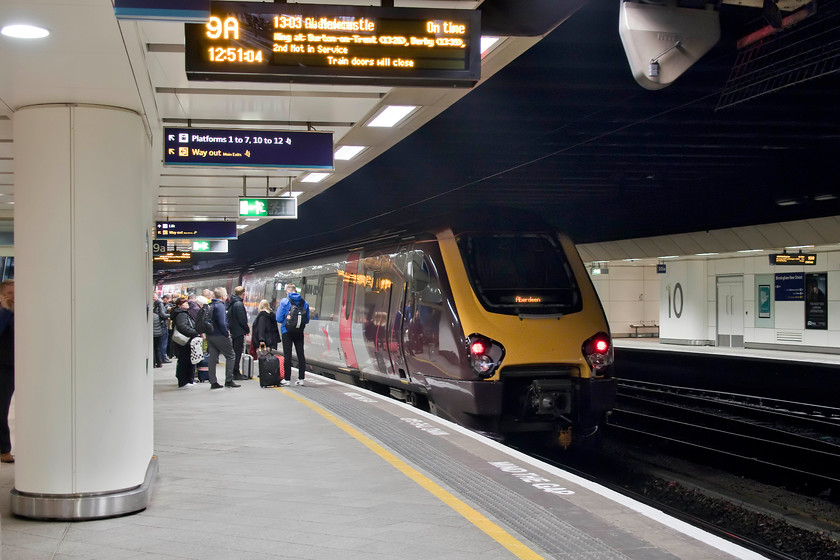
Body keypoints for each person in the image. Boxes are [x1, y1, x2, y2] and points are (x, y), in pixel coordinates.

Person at [275, 283, 309, 386]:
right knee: (300, 354)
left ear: (287, 291)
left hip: (287, 331)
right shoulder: (304, 302)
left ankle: (287, 379)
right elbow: (306, 320)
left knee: (287, 355)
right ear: (296, 290)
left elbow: (279, 318)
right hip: (299, 331)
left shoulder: (284, 301)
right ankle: (301, 379)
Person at [205, 287, 239, 389]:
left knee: (212, 358)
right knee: (231, 355)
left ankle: (213, 382)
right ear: (223, 296)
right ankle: (229, 380)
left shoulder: (211, 304)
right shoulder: (220, 306)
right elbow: (222, 322)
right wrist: (226, 333)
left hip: (210, 335)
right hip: (219, 335)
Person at [170, 297, 199, 388]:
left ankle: (188, 380)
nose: (187, 304)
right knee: (184, 360)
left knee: (187, 360)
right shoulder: (181, 314)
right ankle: (183, 381)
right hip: (184, 341)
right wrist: (193, 332)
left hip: (185, 340)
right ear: (179, 305)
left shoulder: (182, 313)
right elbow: (182, 326)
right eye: (184, 303)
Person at [0, 280, 14, 463]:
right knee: (1, 407)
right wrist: (5, 310)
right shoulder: (3, 313)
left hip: (22, 365)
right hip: (4, 366)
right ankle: (4, 449)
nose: (14, 295)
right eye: (10, 292)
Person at [227, 286, 250, 380]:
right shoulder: (239, 304)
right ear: (243, 293)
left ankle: (234, 371)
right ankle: (235, 372)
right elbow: (242, 319)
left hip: (234, 331)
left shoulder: (233, 303)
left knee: (235, 352)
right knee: (237, 352)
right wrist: (247, 329)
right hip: (239, 332)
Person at [152, 293, 168, 367]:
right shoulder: (160, 305)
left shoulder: (157, 306)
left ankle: (155, 362)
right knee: (159, 346)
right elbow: (163, 315)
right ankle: (160, 361)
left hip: (155, 332)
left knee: (155, 347)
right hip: (160, 330)